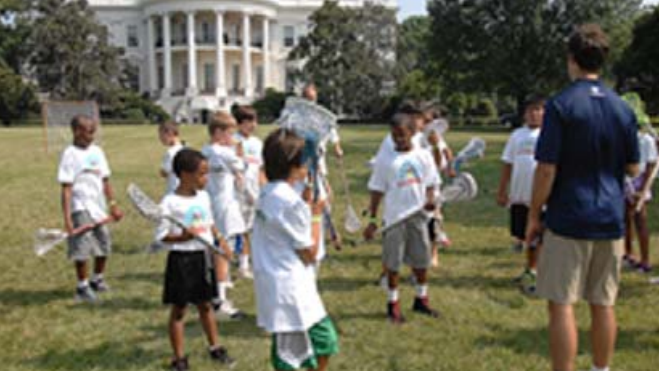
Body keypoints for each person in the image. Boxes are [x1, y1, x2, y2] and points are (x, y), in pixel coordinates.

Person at [526, 24, 640, 371]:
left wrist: (533, 215)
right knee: (603, 303)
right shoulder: (623, 108)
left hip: (568, 217)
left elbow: (547, 169)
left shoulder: (560, 105)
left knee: (561, 304)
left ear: (571, 59)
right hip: (609, 217)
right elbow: (634, 168)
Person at [252, 128, 339, 371]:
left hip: (277, 281)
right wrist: (315, 215)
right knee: (309, 345)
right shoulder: (290, 203)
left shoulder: (268, 193)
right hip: (289, 285)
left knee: (307, 346)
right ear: (295, 165)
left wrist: (305, 206)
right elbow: (309, 253)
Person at [154, 148, 236, 371]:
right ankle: (179, 358)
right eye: (202, 174)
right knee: (179, 310)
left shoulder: (204, 197)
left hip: (203, 257)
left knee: (206, 305)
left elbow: (209, 224)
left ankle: (215, 347)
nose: (206, 178)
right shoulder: (169, 203)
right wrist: (182, 237)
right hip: (181, 260)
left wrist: (221, 242)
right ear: (184, 174)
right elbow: (161, 237)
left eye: (207, 173)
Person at [364, 113, 441, 324]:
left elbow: (432, 183)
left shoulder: (423, 156)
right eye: (394, 135)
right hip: (394, 219)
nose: (398, 139)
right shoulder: (385, 160)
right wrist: (372, 220)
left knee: (421, 261)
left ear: (413, 133)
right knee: (393, 264)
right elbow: (376, 190)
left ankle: (421, 299)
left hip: (418, 217)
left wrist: (431, 200)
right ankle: (393, 304)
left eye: (403, 135)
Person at [58, 115, 124, 303]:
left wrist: (113, 205)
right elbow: (66, 187)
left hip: (99, 207)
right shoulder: (69, 154)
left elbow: (105, 180)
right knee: (82, 247)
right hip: (81, 206)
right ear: (77, 132)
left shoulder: (98, 152)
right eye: (89, 132)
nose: (92, 136)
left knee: (103, 242)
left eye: (93, 132)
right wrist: (68, 218)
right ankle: (82, 286)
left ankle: (97, 279)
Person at [496, 95, 545, 294]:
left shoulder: (549, 135)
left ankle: (537, 271)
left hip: (540, 197)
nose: (533, 114)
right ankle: (530, 268)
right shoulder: (517, 135)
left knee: (539, 235)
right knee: (524, 234)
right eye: (530, 110)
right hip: (519, 194)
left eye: (538, 110)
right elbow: (508, 163)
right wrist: (502, 190)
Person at [202, 111, 247, 319]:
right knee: (222, 252)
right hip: (224, 208)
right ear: (218, 132)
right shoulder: (224, 153)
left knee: (215, 251)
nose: (232, 138)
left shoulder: (205, 150)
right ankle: (220, 301)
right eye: (229, 133)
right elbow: (243, 165)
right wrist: (238, 153)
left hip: (211, 205)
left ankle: (216, 293)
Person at [302, 83, 344, 251]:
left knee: (326, 195)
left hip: (320, 161)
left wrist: (337, 148)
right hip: (305, 163)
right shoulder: (298, 117)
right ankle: (321, 230)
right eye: (307, 98)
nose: (310, 102)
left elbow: (332, 133)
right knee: (313, 196)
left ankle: (326, 228)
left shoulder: (321, 116)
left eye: (313, 98)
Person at [621, 92, 657, 274]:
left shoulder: (646, 140)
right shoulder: (620, 138)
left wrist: (642, 190)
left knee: (640, 219)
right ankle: (628, 253)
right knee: (625, 218)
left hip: (639, 182)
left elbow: (651, 165)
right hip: (623, 181)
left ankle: (645, 259)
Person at [233, 105, 265, 279]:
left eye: (254, 121)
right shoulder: (234, 141)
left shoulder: (257, 143)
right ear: (239, 124)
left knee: (250, 228)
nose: (253, 125)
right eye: (248, 122)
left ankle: (244, 263)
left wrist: (263, 190)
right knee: (237, 228)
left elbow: (261, 169)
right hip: (237, 193)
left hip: (254, 192)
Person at [158, 121, 185, 195]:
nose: (160, 139)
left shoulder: (170, 153)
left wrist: (161, 171)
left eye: (161, 135)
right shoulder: (185, 149)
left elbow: (164, 173)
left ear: (170, 134)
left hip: (173, 190)